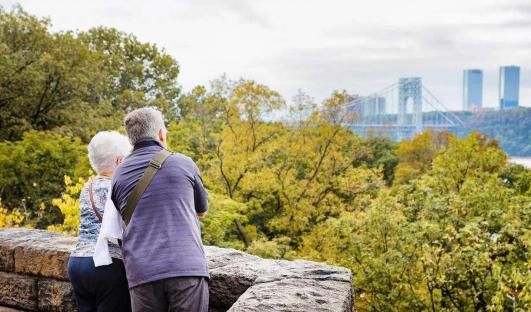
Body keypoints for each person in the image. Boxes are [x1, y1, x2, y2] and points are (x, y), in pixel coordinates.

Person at [111, 107, 209, 312]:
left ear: (131, 140)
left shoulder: (118, 175)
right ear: (161, 134)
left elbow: (124, 217)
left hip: (141, 273)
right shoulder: (183, 163)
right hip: (186, 267)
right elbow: (201, 210)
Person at [67, 131, 132, 312]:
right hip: (105, 265)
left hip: (77, 264)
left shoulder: (87, 187)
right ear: (119, 161)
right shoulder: (117, 187)